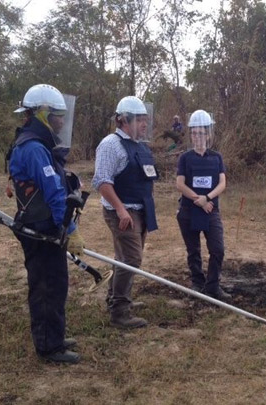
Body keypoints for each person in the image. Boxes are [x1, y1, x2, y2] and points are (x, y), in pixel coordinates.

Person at [8, 84, 85, 364]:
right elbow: (53, 192)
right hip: (40, 229)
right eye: (58, 115)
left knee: (57, 283)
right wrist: (71, 231)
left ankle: (55, 335)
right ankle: (48, 347)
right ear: (42, 115)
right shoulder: (33, 148)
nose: (62, 121)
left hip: (48, 227)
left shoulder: (39, 145)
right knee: (44, 287)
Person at [92, 96, 158, 328]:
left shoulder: (139, 145)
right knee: (131, 259)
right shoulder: (111, 144)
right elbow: (102, 181)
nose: (143, 124)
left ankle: (118, 300)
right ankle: (120, 312)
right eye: (139, 120)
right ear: (124, 120)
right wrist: (121, 210)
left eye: (145, 120)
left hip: (140, 211)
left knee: (124, 259)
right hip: (122, 212)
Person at [176, 110, 231, 300]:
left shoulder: (216, 157)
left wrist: (206, 198)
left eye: (200, 133)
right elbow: (180, 184)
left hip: (210, 210)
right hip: (188, 211)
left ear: (207, 134)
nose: (196, 137)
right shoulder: (185, 158)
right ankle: (197, 283)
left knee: (217, 249)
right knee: (193, 251)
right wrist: (197, 200)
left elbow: (222, 183)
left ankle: (213, 285)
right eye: (193, 133)